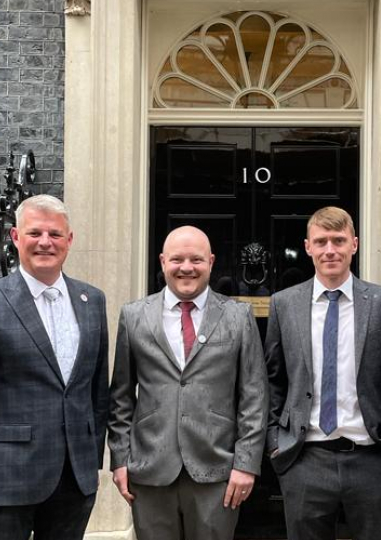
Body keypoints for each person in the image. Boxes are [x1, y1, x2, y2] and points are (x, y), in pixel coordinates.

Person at [0, 194, 110, 539]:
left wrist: (91, 460)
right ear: (16, 237)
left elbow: (97, 390)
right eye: (35, 233)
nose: (45, 243)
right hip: (8, 478)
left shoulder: (92, 300)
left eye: (54, 234)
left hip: (74, 478)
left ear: (69, 240)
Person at [107, 225, 268, 540]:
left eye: (196, 259)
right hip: (149, 470)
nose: (186, 268)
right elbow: (121, 397)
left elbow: (254, 396)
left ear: (210, 262)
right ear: (162, 261)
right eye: (177, 259)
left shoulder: (238, 316)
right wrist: (119, 460)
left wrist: (246, 464)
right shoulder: (134, 315)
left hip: (217, 472)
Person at [265, 206, 381, 540]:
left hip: (372, 458)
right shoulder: (284, 304)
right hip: (305, 458)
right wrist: (275, 442)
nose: (330, 250)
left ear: (354, 244)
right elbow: (273, 378)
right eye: (321, 241)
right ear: (308, 247)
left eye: (339, 240)